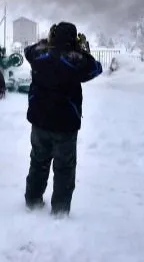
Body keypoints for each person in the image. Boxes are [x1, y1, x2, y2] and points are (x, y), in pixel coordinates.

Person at [23, 21, 103, 216]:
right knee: (64, 169)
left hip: (39, 121)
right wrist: (82, 48)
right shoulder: (75, 60)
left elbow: (28, 50)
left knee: (38, 162)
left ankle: (32, 202)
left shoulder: (39, 55)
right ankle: (59, 211)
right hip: (65, 125)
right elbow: (95, 68)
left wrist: (49, 41)